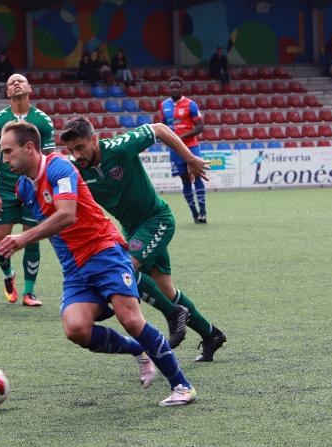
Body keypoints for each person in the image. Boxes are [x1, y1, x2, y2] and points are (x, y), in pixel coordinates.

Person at [0, 121, 197, 406]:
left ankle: (182, 385)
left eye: (8, 151)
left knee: (130, 318)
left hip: (104, 252)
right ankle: (140, 350)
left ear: (29, 147)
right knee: (76, 329)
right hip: (75, 269)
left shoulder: (59, 168)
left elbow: (67, 215)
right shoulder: (23, 188)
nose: (5, 159)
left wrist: (22, 239)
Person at [60, 117, 227, 362]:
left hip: (156, 219)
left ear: (94, 139)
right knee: (165, 289)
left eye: (80, 147)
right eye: (71, 150)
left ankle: (172, 314)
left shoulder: (119, 148)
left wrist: (189, 158)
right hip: (133, 230)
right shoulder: (78, 171)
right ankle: (211, 334)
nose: (77, 155)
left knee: (124, 270)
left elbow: (159, 129)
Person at [0, 73, 55, 307]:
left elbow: (49, 158)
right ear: (7, 92)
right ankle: (8, 276)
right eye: (11, 82)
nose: (16, 83)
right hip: (5, 189)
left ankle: (29, 292)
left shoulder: (43, 121)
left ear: (30, 88)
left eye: (21, 81)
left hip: (33, 189)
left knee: (31, 238)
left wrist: (46, 189)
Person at [160, 76, 207, 223]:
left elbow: (200, 127)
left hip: (191, 146)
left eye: (177, 87)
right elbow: (163, 126)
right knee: (185, 180)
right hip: (174, 149)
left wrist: (182, 136)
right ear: (169, 89)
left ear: (182, 88)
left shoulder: (191, 105)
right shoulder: (164, 105)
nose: (174, 89)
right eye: (172, 87)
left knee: (197, 175)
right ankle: (194, 213)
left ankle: (203, 212)